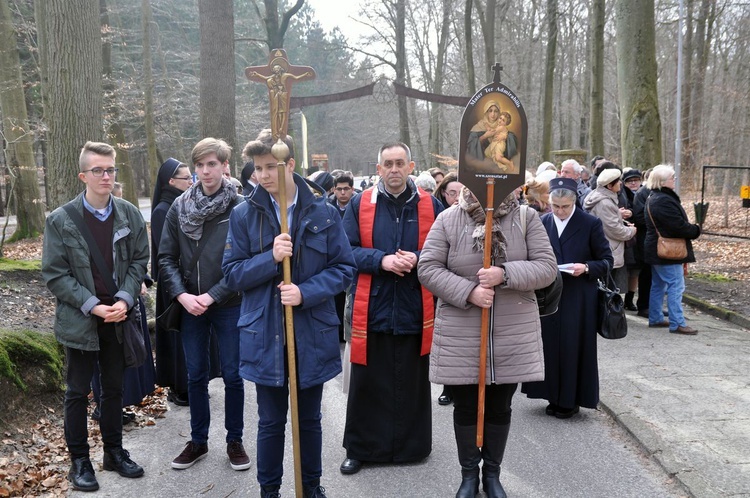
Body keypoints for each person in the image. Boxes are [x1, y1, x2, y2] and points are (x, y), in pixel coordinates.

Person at [222, 130, 356, 498]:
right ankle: (270, 491)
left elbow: (344, 268)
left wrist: (305, 292)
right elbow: (232, 274)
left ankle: (311, 487)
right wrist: (271, 259)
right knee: (270, 422)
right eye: (257, 168)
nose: (262, 175)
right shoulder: (244, 215)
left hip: (311, 331)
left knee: (309, 421)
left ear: (290, 164)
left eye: (270, 166)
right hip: (264, 333)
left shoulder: (323, 213)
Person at [418, 185, 557, 498]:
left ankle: (492, 474)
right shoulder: (448, 219)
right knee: (466, 407)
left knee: (500, 406)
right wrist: (468, 292)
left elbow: (547, 268)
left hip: (512, 333)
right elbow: (427, 268)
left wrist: (504, 274)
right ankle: (469, 475)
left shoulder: (526, 218)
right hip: (461, 332)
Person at [42, 141, 149, 491]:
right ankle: (80, 461)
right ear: (83, 175)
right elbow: (55, 274)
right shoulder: (60, 220)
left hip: (118, 317)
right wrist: (91, 303)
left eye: (111, 169)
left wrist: (124, 297)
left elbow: (138, 261)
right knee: (76, 392)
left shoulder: (130, 214)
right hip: (81, 320)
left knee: (114, 389)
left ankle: (114, 452)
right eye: (98, 170)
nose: (106, 176)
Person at [340, 142, 443, 475]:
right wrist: (381, 260)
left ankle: (412, 447)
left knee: (412, 382)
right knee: (368, 383)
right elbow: (344, 252)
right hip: (374, 308)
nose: (394, 169)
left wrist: (419, 259)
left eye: (400, 163)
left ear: (411, 167)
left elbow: (444, 254)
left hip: (415, 306)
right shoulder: (360, 204)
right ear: (379, 168)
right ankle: (361, 448)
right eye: (388, 164)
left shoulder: (432, 205)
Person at [158, 138, 251, 471]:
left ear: (225, 166)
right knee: (195, 375)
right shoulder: (178, 207)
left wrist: (213, 295)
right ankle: (198, 441)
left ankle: (235, 440)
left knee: (233, 375)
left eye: (212, 164)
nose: (205, 171)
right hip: (190, 304)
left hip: (229, 303)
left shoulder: (241, 206)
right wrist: (182, 296)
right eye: (200, 165)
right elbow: (166, 257)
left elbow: (245, 261)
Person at [522, 178, 613, 419]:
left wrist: (585, 268)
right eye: (555, 206)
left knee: (573, 346)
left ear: (575, 203)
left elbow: (606, 261)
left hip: (579, 296)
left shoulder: (590, 223)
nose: (560, 211)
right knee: (549, 345)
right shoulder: (542, 222)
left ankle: (570, 400)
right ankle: (551, 395)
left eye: (565, 207)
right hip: (548, 293)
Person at [91, 181, 155, 424]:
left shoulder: (128, 215)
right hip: (101, 305)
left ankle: (115, 406)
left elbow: (138, 257)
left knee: (125, 357)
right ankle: (105, 408)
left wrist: (136, 285)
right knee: (103, 364)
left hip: (125, 300)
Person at [643, 164, 701, 335]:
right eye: (672, 178)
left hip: (658, 249)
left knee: (658, 285)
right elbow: (677, 226)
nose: (674, 180)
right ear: (662, 182)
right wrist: (695, 230)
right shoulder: (663, 200)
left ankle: (656, 317)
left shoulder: (656, 197)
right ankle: (677, 323)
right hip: (666, 251)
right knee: (676, 286)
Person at [431, 171, 463, 406]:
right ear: (444, 193)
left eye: (461, 193)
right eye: (452, 193)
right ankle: (448, 388)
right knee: (447, 340)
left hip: (463, 282)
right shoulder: (437, 214)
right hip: (441, 283)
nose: (456, 197)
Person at [583, 168, 637, 294]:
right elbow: (614, 229)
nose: (621, 183)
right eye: (618, 181)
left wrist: (618, 214)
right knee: (607, 292)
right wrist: (631, 231)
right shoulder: (604, 202)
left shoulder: (600, 197)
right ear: (609, 185)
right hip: (609, 250)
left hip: (607, 249)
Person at [467, 101, 518, 173]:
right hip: (482, 165)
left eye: (496, 111)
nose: (493, 114)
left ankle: (508, 163)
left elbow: (509, 137)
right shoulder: (479, 125)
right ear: (486, 112)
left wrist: (504, 137)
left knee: (497, 158)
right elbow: (471, 144)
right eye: (490, 111)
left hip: (497, 152)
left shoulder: (500, 126)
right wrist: (484, 136)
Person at [621, 168, 644, 311]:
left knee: (636, 271)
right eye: (629, 181)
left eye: (636, 180)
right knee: (626, 270)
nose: (633, 183)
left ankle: (629, 299)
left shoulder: (644, 193)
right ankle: (621, 299)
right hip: (626, 235)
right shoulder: (622, 194)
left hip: (639, 236)